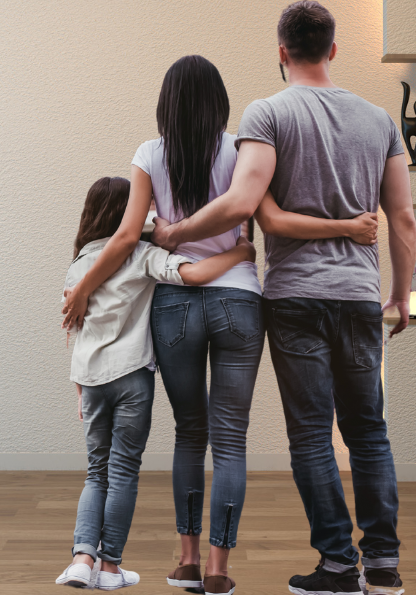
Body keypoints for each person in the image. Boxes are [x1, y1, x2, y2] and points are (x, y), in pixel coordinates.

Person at [62, 56, 380, 595]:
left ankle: (184, 563)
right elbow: (269, 217)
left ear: (165, 102)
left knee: (190, 433)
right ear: (220, 102)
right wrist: (337, 229)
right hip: (238, 301)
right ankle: (217, 570)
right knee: (230, 440)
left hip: (176, 306)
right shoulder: (242, 149)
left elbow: (122, 239)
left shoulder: (149, 154)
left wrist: (85, 287)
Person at [152, 2, 416, 595]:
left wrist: (175, 233)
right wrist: (401, 295)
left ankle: (336, 567)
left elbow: (245, 204)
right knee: (368, 431)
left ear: (281, 52)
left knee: (310, 435)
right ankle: (383, 564)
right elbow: (401, 217)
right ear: (333, 49)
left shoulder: (268, 114)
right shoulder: (379, 121)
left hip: (295, 296)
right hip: (357, 297)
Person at [57, 175, 257, 590]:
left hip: (90, 382)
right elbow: (197, 273)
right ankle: (110, 567)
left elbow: (76, 332)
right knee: (124, 470)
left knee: (96, 472)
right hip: (131, 379)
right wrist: (241, 251)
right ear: (128, 216)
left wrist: (80, 391)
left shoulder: (78, 267)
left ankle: (80, 559)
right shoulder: (142, 255)